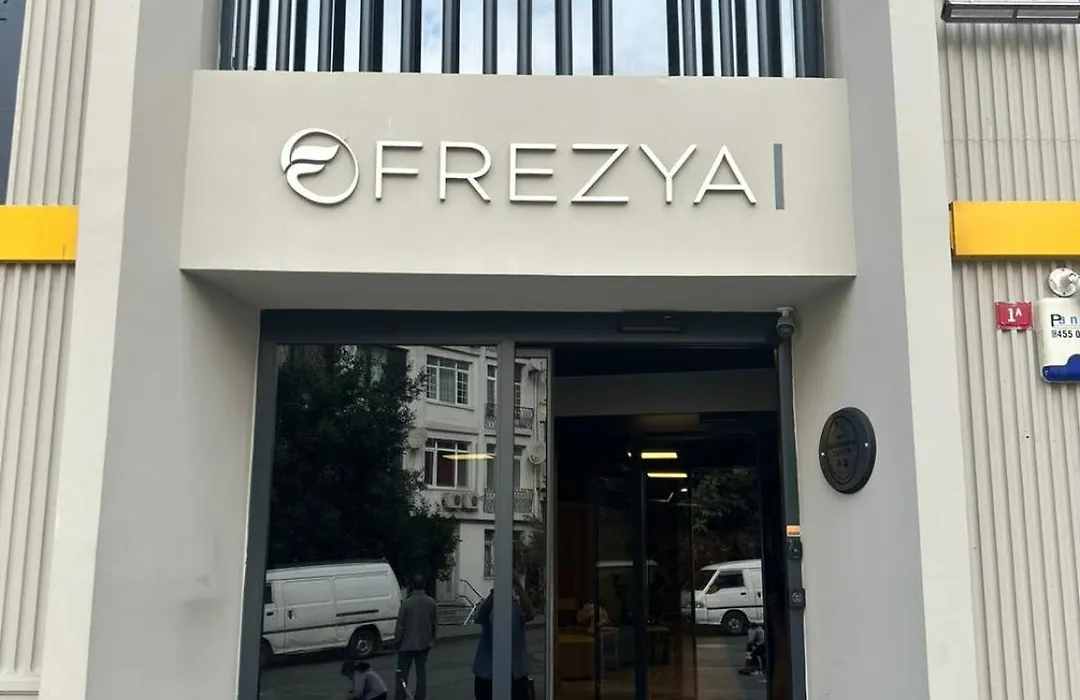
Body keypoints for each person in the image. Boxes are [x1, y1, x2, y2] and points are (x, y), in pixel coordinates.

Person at [472, 572, 535, 700]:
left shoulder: (516, 605)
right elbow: (479, 616)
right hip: (487, 673)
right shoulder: (490, 604)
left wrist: (517, 585)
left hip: (515, 673)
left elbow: (530, 613)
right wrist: (495, 593)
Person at [394, 575, 438, 700]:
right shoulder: (431, 603)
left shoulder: (406, 603)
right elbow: (435, 624)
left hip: (406, 645)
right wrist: (432, 640)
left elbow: (400, 626)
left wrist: (397, 641)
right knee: (421, 674)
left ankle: (401, 696)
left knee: (402, 674)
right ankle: (420, 697)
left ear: (412, 586)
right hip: (424, 644)